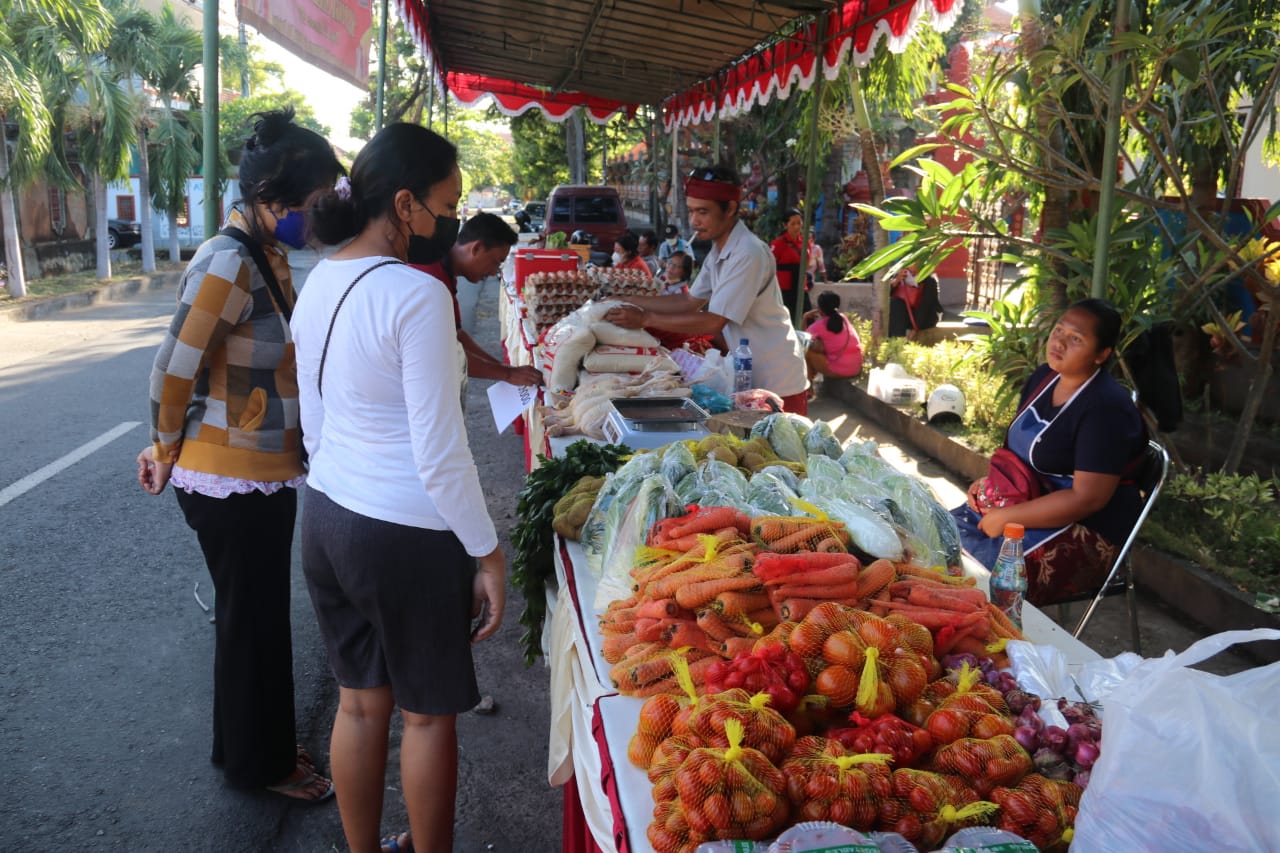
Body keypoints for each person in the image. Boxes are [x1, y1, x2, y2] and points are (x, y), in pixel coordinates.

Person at [296, 123, 506, 853]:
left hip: (325, 519)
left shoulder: (319, 279)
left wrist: (344, 482)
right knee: (426, 716)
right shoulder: (417, 296)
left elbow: (314, 422)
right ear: (408, 204)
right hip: (405, 535)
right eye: (448, 204)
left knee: (358, 707)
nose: (451, 220)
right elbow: (441, 453)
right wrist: (488, 553)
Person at [136, 108, 341, 803]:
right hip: (227, 477)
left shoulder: (267, 253)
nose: (316, 219)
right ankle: (265, 764)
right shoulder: (228, 259)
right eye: (313, 206)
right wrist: (163, 446)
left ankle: (252, 746)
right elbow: (172, 369)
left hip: (256, 470)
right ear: (269, 202)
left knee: (250, 618)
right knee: (253, 623)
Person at [951, 298, 1147, 605]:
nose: (1060, 342)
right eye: (1059, 330)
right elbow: (1020, 456)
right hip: (1027, 501)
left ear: (1101, 355)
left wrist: (1007, 518)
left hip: (1085, 531)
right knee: (934, 537)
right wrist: (990, 486)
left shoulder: (1105, 409)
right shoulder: (1044, 377)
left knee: (968, 578)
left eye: (1076, 339)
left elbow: (1087, 499)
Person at [604, 165, 809, 413]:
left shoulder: (748, 252)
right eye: (691, 211)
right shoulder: (719, 250)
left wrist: (645, 318)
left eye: (703, 212)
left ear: (731, 208)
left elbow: (713, 322)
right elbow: (688, 301)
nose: (694, 221)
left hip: (777, 378)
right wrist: (625, 299)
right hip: (747, 371)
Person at [416, 212, 544, 386]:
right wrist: (507, 373)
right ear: (476, 248)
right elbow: (443, 354)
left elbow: (457, 334)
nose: (493, 272)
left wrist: (501, 366)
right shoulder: (430, 278)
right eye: (496, 262)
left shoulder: (446, 271)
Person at [803, 290, 863, 397]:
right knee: (818, 346)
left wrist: (805, 318)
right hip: (856, 368)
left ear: (819, 308)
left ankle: (809, 390)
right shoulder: (844, 318)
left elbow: (802, 341)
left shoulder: (818, 326)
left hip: (839, 370)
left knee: (807, 353)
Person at [769, 208, 811, 315]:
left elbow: (807, 264)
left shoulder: (806, 242)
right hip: (784, 290)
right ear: (785, 225)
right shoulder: (778, 244)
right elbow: (769, 266)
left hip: (801, 287)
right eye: (793, 224)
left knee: (806, 316)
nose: (797, 226)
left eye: (799, 223)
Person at [888, 267, 944, 345]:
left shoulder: (929, 280)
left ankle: (899, 343)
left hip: (925, 317)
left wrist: (915, 329)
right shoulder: (899, 275)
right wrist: (896, 281)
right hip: (905, 315)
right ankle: (896, 343)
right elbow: (885, 296)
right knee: (895, 303)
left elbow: (925, 306)